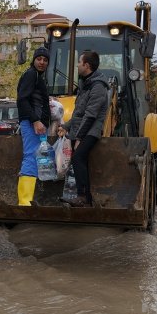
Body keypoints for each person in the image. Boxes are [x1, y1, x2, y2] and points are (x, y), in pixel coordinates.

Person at [57, 50, 109, 207]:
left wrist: (79, 138)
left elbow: (91, 116)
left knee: (78, 157)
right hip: (81, 128)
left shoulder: (98, 86)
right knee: (79, 159)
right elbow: (78, 114)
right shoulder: (85, 84)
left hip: (91, 130)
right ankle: (85, 197)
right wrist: (65, 126)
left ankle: (83, 197)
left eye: (79, 62)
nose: (77, 65)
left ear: (87, 65)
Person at [16, 46, 51, 206]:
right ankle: (24, 202)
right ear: (34, 60)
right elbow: (22, 100)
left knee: (35, 157)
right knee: (31, 156)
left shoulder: (38, 76)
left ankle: (28, 199)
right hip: (31, 123)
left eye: (45, 60)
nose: (42, 62)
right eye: (39, 59)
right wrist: (36, 120)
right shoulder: (31, 75)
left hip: (36, 123)